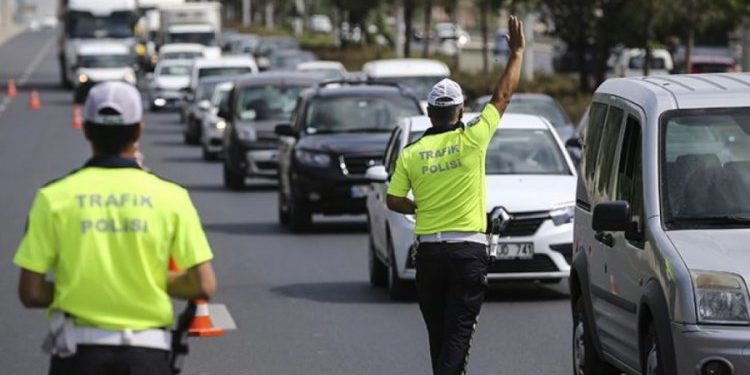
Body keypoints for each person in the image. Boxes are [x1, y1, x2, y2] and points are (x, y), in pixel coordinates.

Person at [13, 81, 217, 375]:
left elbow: (30, 292)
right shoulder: (171, 197)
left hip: (78, 355)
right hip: (148, 354)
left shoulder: (53, 198)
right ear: (138, 131)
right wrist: (143, 280)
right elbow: (204, 285)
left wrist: (83, 286)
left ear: (85, 129)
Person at [386, 15, 525, 375]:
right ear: (461, 111)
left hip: (430, 254)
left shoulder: (412, 153)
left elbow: (393, 199)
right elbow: (503, 95)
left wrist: (419, 205)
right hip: (468, 254)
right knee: (457, 337)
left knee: (440, 337)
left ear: (430, 113)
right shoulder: (473, 138)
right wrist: (518, 53)